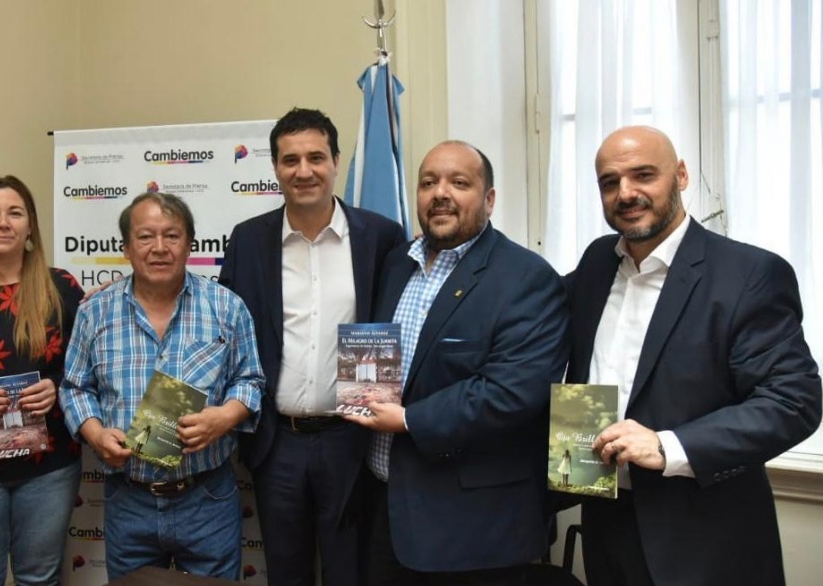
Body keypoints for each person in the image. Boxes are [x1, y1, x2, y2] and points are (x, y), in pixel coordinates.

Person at [565, 125, 822, 586]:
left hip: (705, 539)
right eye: (610, 182)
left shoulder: (749, 274)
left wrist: (668, 445)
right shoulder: (596, 263)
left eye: (644, 175)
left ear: (681, 175)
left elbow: (793, 402)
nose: (626, 193)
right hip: (606, 525)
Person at [344, 141, 570, 585]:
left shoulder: (527, 278)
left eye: (459, 183)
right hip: (383, 508)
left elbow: (512, 392)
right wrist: (358, 395)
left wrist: (407, 419)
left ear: (489, 199)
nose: (440, 193)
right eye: (428, 183)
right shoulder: (396, 264)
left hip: (471, 530)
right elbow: (376, 356)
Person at [218, 107, 405, 586]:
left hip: (352, 439)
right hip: (277, 441)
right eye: (290, 160)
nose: (304, 171)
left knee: (350, 572)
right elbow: (220, 322)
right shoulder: (248, 240)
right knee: (286, 573)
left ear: (336, 161)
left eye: (316, 157)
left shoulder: (380, 237)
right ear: (275, 167)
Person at [59, 192, 264, 580]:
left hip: (207, 497)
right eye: (145, 236)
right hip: (129, 497)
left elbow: (250, 379)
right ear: (126, 248)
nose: (159, 247)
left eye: (171, 235)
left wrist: (224, 417)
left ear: (190, 244)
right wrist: (96, 434)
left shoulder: (227, 307)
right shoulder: (94, 312)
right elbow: (75, 387)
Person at [0, 175, 85, 585]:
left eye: (15, 213)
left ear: (30, 226)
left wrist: (57, 385)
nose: (3, 222)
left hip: (50, 465)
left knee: (39, 578)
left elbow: (90, 365)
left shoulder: (61, 287)